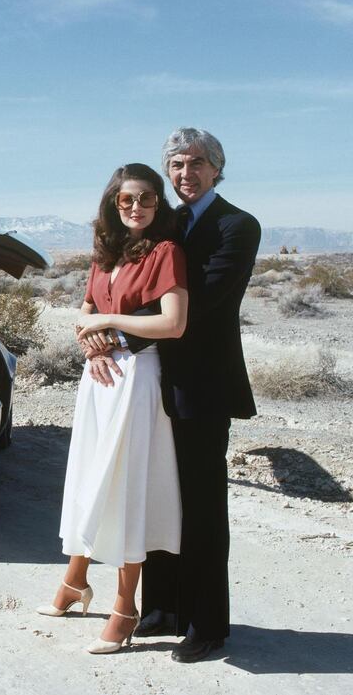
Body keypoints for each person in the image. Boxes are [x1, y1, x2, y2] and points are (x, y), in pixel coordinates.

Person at [88, 128, 261, 663]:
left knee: (202, 504)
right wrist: (96, 338)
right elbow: (120, 285)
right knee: (154, 492)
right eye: (178, 165)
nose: (186, 173)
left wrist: (113, 331)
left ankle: (208, 623)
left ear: (216, 168)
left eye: (197, 163)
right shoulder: (163, 223)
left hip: (201, 387)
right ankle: (163, 606)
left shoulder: (237, 225)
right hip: (146, 381)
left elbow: (202, 302)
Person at [36, 163, 188, 655]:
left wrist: (106, 322)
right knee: (89, 478)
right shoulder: (104, 255)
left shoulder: (165, 252)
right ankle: (76, 581)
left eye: (146, 199)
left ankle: (126, 607)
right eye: (127, 201)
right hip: (99, 380)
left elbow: (173, 324)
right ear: (112, 204)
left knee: (125, 486)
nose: (137, 208)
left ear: (157, 204)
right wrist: (94, 345)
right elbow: (83, 313)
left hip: (139, 382)